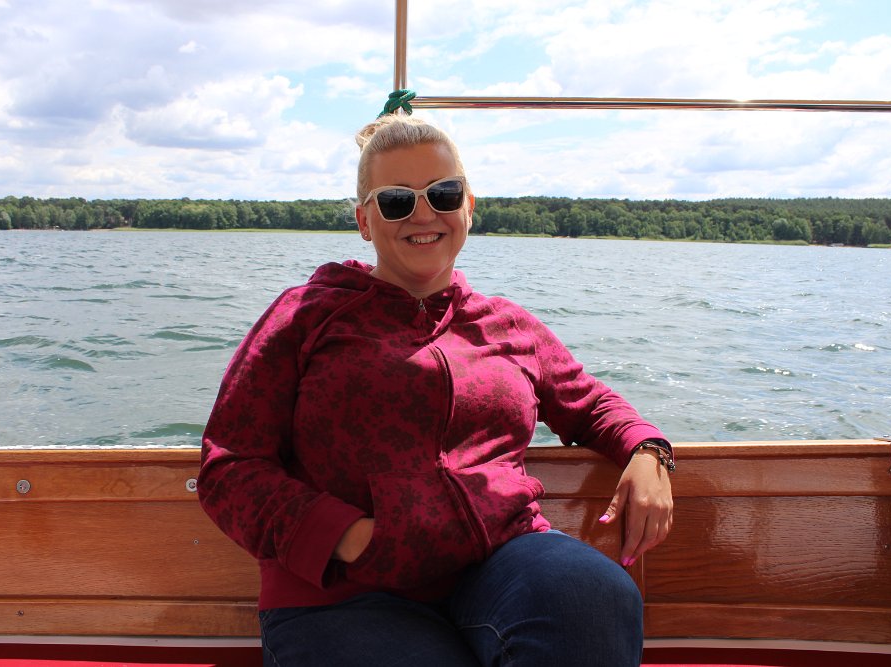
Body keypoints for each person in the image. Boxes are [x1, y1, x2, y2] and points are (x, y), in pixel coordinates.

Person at [197, 103, 674, 667]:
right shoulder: (305, 316)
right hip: (345, 590)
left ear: (468, 207)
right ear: (365, 221)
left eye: (443, 194)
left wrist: (648, 451)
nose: (423, 214)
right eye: (397, 201)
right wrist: (348, 536)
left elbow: (590, 404)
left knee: (592, 597)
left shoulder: (509, 325)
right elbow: (230, 464)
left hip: (502, 561)